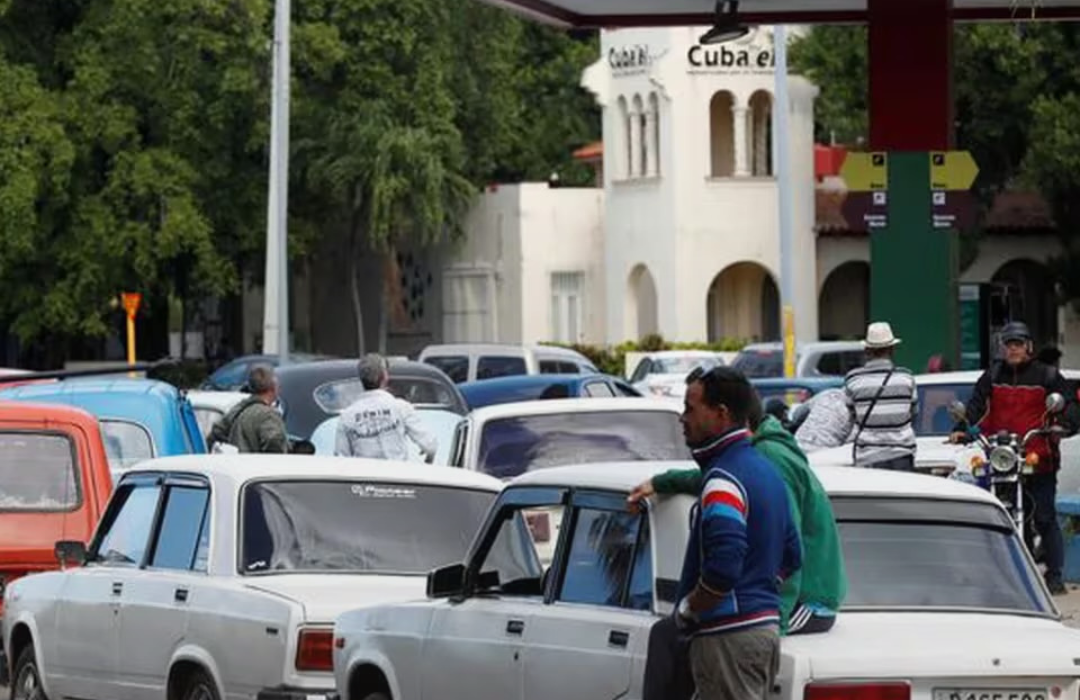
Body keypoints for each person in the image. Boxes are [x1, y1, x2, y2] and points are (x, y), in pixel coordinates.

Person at [630, 391, 846, 700]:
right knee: (669, 634)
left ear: (727, 418)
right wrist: (664, 481)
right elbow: (719, 480)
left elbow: (789, 547)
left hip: (808, 601)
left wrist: (772, 620)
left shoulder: (769, 460)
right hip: (776, 602)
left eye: (698, 414)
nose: (688, 422)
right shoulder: (758, 456)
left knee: (676, 635)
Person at [665, 366, 802, 700]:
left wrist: (689, 608)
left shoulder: (724, 480)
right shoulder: (766, 472)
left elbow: (724, 566)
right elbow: (793, 554)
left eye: (690, 408)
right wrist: (759, 588)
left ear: (721, 414)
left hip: (729, 636)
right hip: (762, 628)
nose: (683, 418)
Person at [949, 321, 1078, 594]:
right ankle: (1013, 573)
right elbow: (975, 406)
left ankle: (1054, 576)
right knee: (1002, 514)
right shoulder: (993, 374)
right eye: (1009, 344)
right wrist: (962, 428)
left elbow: (1069, 403)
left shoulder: (1047, 375)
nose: (1014, 349)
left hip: (1038, 456)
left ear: (1028, 346)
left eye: (1018, 344)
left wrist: (1064, 423)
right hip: (1002, 455)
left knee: (1043, 516)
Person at [335, 353, 438, 462]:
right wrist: (429, 460)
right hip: (397, 477)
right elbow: (430, 446)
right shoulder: (401, 407)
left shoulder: (346, 416)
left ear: (361, 379)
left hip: (364, 477)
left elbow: (341, 459)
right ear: (385, 376)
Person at [844, 321, 918, 470]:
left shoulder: (853, 380)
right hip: (902, 455)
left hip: (868, 456)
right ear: (892, 349)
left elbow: (851, 418)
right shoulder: (906, 378)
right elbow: (913, 414)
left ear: (867, 350)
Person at [208, 365, 289, 453]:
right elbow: (274, 442)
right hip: (258, 466)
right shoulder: (269, 415)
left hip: (236, 464)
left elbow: (216, 434)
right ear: (273, 388)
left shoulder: (238, 409)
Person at [792, 388, 854, 453]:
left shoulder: (828, 394)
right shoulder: (860, 406)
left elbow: (797, 415)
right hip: (826, 455)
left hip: (797, 451)